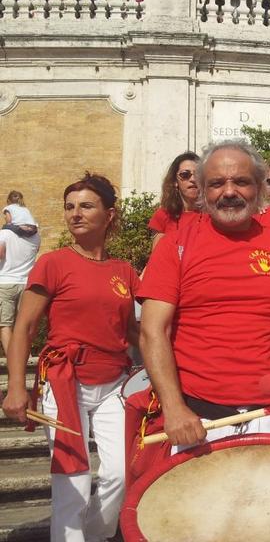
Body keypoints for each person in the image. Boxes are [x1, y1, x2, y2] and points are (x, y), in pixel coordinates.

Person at [138, 142, 270, 449]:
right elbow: (153, 331)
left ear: (258, 188)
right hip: (200, 421)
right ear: (202, 190)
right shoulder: (174, 245)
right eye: (216, 183)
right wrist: (173, 407)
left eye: (241, 181)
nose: (229, 192)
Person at [2, 173, 139, 542]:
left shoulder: (124, 271)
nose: (75, 214)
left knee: (123, 474)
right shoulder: (53, 263)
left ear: (109, 214)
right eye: (69, 207)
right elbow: (24, 327)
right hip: (65, 381)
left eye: (86, 206)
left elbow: (134, 332)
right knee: (72, 478)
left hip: (115, 385)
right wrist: (16, 387)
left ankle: (93, 535)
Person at [0, 216, 40, 355]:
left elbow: (0, 253)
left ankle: (14, 361)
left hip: (6, 282)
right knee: (24, 324)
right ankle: (25, 356)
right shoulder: (35, 236)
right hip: (26, 282)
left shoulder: (4, 234)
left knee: (5, 325)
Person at [148, 151, 201, 250]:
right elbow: (157, 256)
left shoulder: (212, 216)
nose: (193, 179)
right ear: (175, 182)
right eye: (185, 175)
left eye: (198, 174)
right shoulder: (163, 216)